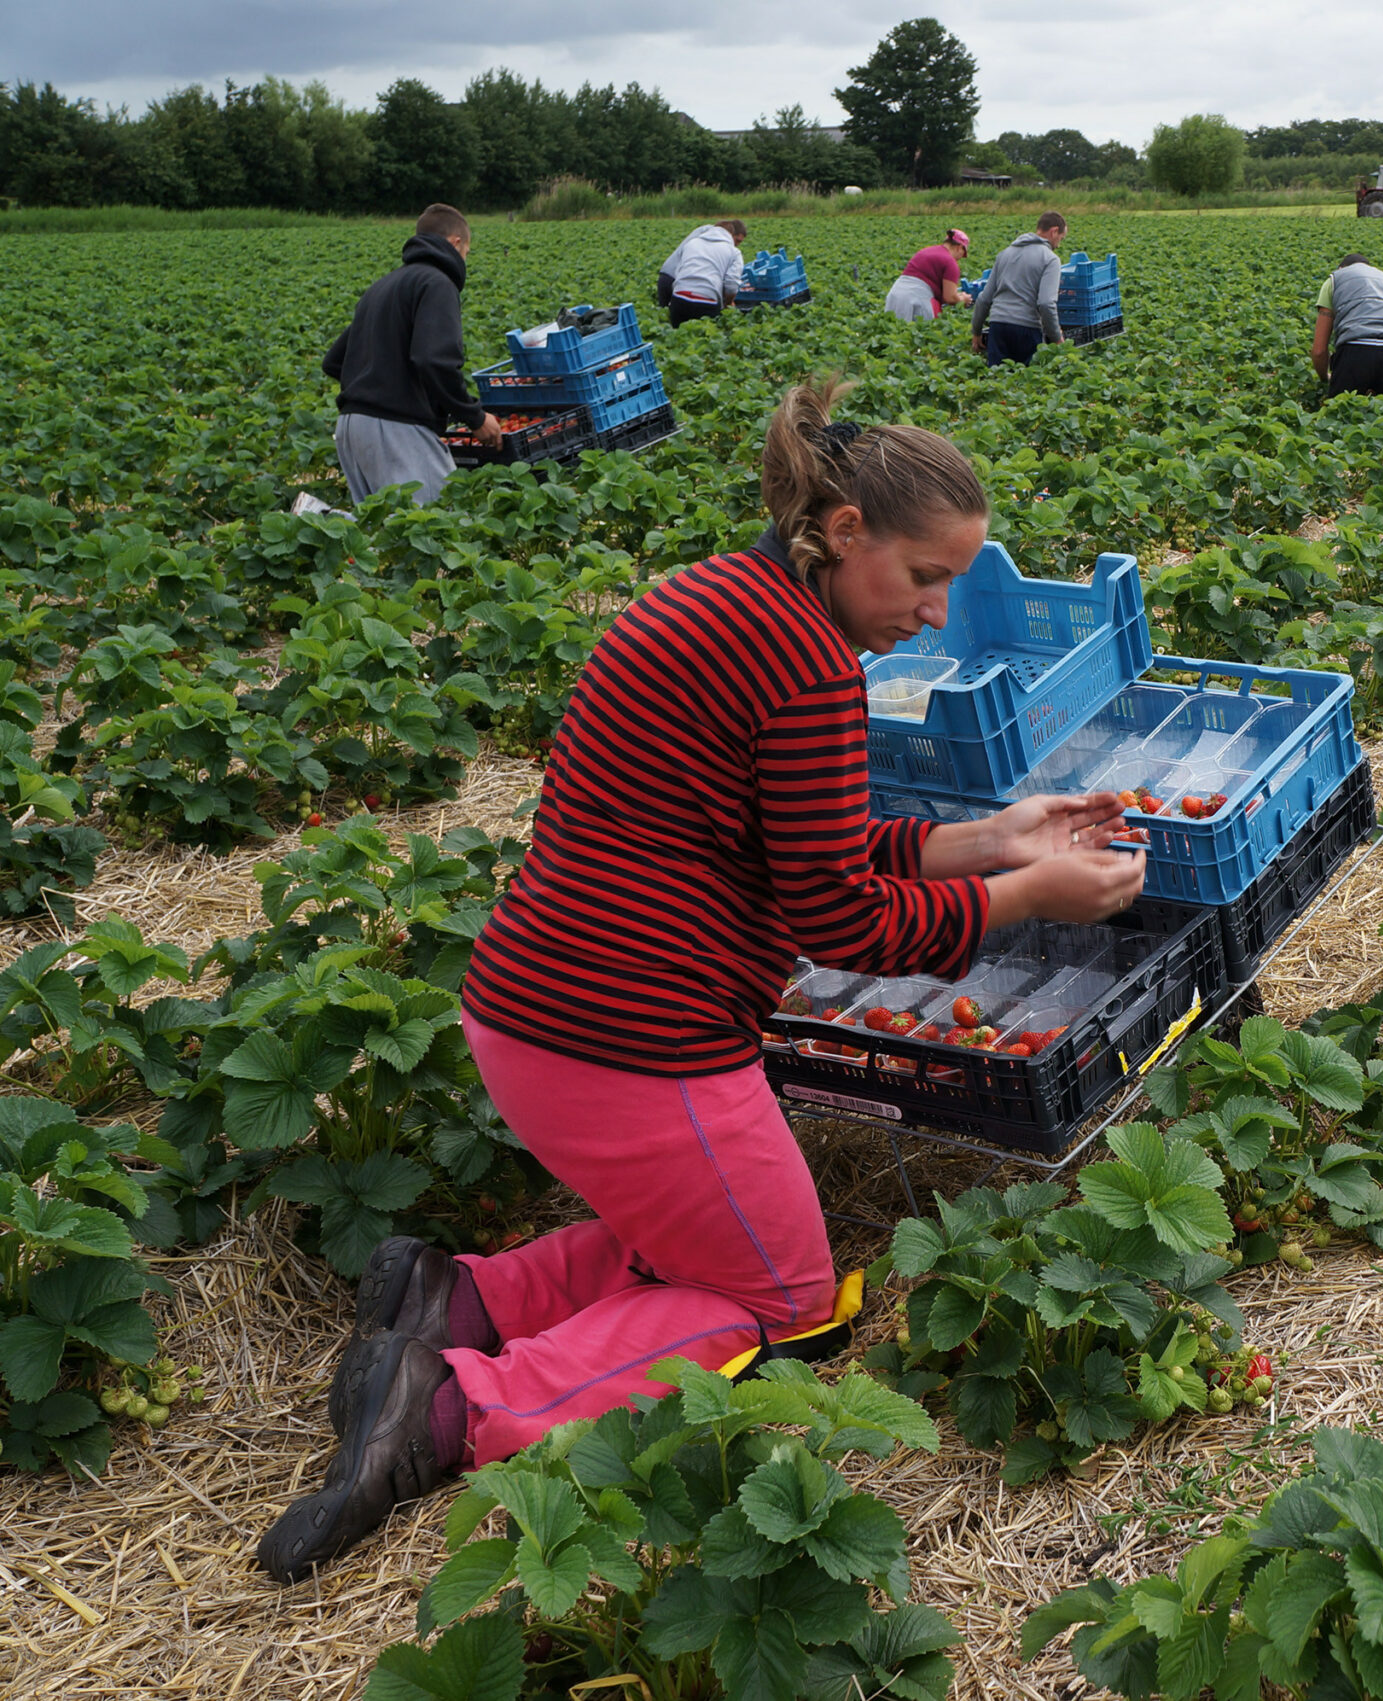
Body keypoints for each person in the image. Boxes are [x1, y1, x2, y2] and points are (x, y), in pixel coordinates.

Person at [254, 381, 1150, 1583]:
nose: (936, 614)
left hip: (540, 1009)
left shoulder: (727, 597)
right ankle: (452, 1405)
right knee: (784, 1297)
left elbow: (797, 853)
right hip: (632, 1040)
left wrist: (996, 838)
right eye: (925, 579)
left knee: (712, 1238)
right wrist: (1026, 900)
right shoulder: (808, 662)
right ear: (845, 534)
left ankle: (455, 1297)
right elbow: (838, 911)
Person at [321, 204, 497, 505]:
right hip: (394, 430)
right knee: (436, 526)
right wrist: (474, 416)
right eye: (467, 251)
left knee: (386, 536)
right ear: (455, 244)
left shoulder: (383, 286)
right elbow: (434, 359)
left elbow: (334, 361)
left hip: (352, 429)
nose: (465, 259)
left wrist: (379, 383)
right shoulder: (437, 283)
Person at [1311, 253, 1383, 397]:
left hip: (1354, 351)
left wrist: (1325, 377)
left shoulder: (1336, 279)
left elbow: (1319, 350)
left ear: (1341, 268)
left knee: (1342, 413)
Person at [971, 212, 1068, 365]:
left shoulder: (1004, 254)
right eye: (1060, 238)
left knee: (997, 382)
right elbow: (1045, 303)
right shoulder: (1050, 259)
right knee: (1027, 382)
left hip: (998, 326)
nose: (1058, 244)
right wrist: (1057, 339)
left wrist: (976, 332)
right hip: (1026, 328)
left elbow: (984, 299)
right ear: (1054, 231)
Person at [656, 218, 747, 326]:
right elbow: (731, 285)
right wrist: (727, 303)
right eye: (737, 241)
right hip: (707, 301)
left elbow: (680, 270)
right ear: (730, 234)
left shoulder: (693, 243)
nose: (737, 244)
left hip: (679, 298)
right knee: (706, 337)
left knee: (678, 336)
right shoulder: (733, 252)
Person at [887, 228, 974, 321]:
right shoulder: (950, 262)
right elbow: (950, 298)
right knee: (919, 331)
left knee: (895, 329)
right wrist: (963, 300)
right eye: (963, 253)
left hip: (895, 295)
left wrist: (958, 295)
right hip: (916, 299)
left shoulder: (925, 251)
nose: (960, 257)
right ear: (959, 247)